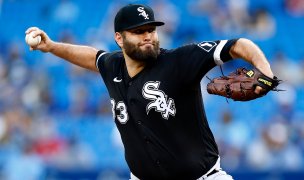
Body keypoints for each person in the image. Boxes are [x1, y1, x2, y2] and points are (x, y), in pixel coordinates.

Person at [25, 4, 275, 180]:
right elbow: (93, 57)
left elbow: (238, 45)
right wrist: (52, 47)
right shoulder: (113, 65)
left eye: (151, 30)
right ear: (119, 39)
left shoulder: (180, 61)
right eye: (138, 31)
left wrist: (265, 71)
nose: (148, 36)